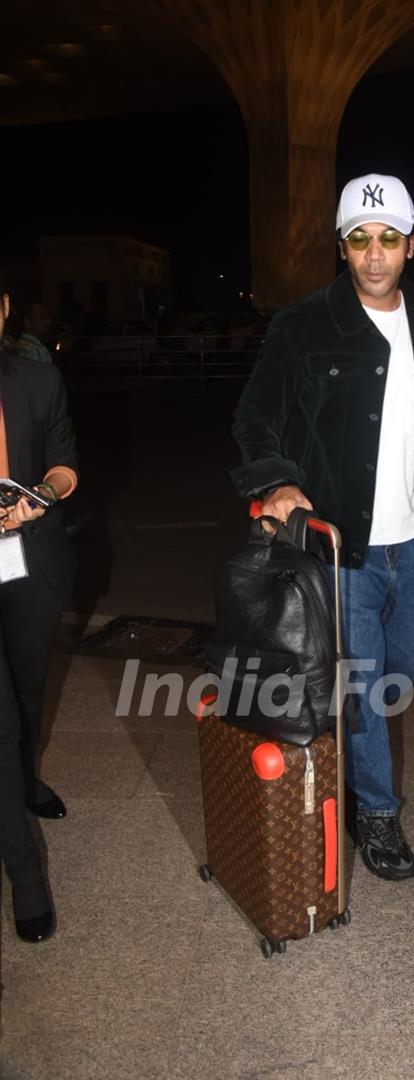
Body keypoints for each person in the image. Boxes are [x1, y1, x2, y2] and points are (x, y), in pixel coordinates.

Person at [231, 174, 414, 881]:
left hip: (413, 538)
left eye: (389, 239)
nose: (375, 255)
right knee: (368, 686)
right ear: (342, 248)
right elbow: (254, 417)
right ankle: (376, 813)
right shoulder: (303, 325)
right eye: (360, 240)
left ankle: (340, 735)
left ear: (412, 245)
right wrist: (278, 481)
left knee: (403, 663)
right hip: (339, 545)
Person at [0, 277, 79, 942]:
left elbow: (65, 462)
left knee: (27, 693)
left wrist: (43, 493)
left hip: (28, 558)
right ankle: (25, 876)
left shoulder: (36, 379)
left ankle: (24, 783)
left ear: (2, 309)